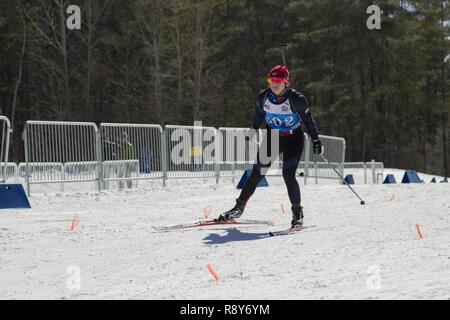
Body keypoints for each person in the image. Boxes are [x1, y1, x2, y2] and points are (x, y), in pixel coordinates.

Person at [217, 64, 323, 228]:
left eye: (278, 80)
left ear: (286, 82)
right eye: (271, 80)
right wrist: (253, 129)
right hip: (273, 137)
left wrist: (316, 140)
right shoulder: (263, 97)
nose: (274, 84)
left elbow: (308, 121)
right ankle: (238, 208)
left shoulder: (297, 100)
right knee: (257, 172)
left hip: (293, 139)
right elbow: (259, 115)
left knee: (288, 175)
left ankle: (297, 213)